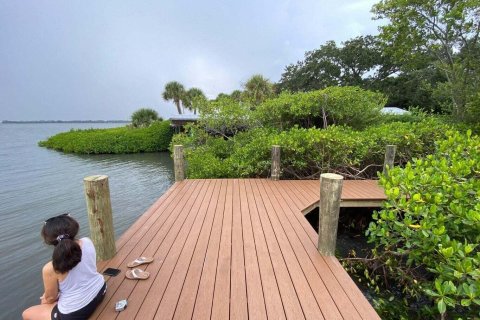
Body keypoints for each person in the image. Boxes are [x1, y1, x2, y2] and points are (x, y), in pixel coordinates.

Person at [22, 214, 107, 320]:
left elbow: (50, 298)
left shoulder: (50, 268)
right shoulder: (87, 241)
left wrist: (46, 297)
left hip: (75, 312)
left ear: (49, 240)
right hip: (100, 290)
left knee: (27, 313)